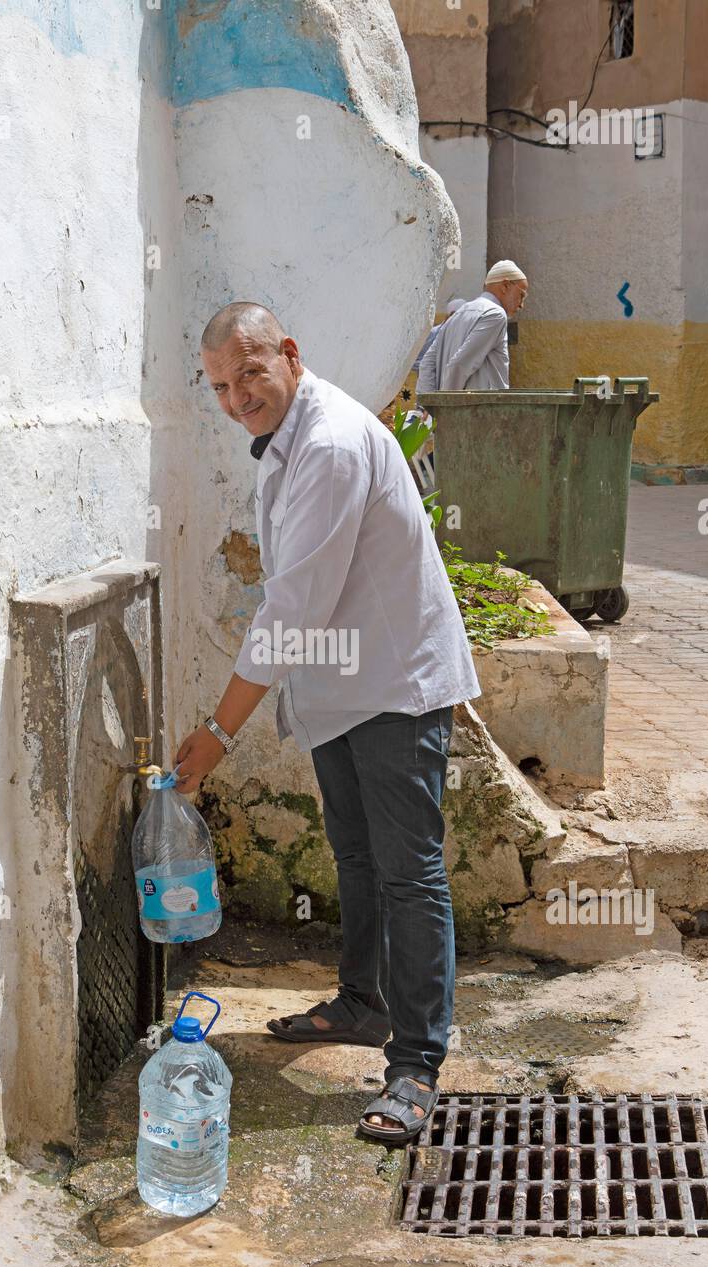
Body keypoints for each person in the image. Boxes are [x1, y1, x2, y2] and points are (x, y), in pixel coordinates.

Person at [174, 301, 480, 1145]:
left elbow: (294, 608)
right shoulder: (290, 434)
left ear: (289, 354)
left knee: (409, 872)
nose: (237, 398)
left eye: (250, 375)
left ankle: (415, 1066)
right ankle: (363, 1002)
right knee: (355, 854)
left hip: (393, 683)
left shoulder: (335, 442)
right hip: (342, 684)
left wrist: (219, 732)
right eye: (220, 387)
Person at [416, 260, 528, 392]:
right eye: (521, 295)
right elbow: (460, 364)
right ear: (505, 286)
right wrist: (445, 405)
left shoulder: (458, 313)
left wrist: (428, 406)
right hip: (478, 411)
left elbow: (427, 364)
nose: (521, 305)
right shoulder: (495, 314)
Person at [411, 297, 466, 375]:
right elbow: (414, 362)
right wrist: (434, 365)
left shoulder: (463, 336)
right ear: (451, 315)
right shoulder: (432, 333)